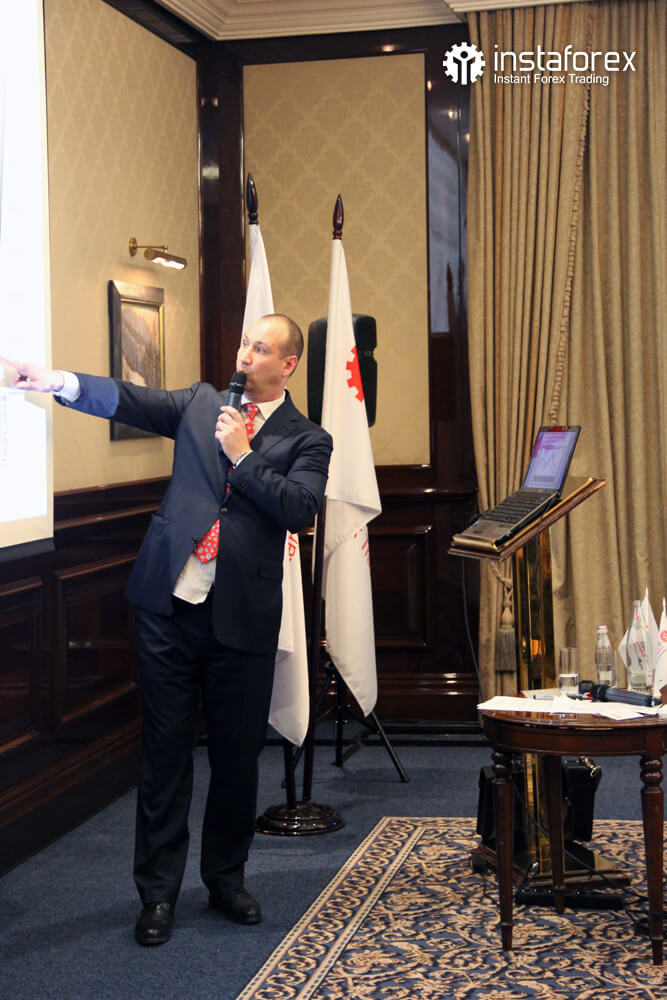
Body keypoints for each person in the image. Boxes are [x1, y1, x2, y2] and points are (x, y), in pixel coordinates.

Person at [2, 314, 332, 946]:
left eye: (260, 348)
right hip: (168, 608)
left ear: (288, 364)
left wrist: (243, 454)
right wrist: (55, 380)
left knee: (236, 758)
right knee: (164, 753)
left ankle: (225, 880)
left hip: (242, 616)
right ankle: (157, 894)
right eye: (244, 343)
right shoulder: (202, 402)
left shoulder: (309, 437)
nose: (244, 355)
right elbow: (130, 399)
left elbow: (299, 509)